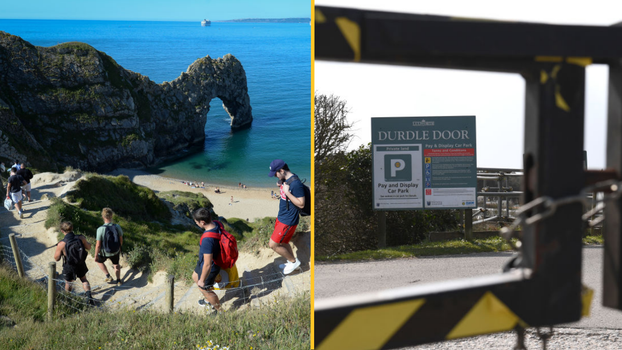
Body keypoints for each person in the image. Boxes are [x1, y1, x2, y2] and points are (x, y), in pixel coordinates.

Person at [268, 159, 304, 274]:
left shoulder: (295, 183)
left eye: (275, 173)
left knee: (273, 244)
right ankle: (292, 262)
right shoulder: (286, 179)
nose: (274, 175)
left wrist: (287, 192)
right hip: (282, 216)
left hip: (288, 220)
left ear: (282, 170)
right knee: (283, 242)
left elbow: (301, 203)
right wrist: (281, 183)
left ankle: (294, 262)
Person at [53, 221, 94, 305]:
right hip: (80, 263)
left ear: (62, 231)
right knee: (84, 279)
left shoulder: (61, 243)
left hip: (69, 265)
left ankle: (68, 299)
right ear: (72, 228)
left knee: (68, 282)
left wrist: (61, 252)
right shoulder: (81, 238)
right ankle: (89, 297)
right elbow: (89, 247)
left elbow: (56, 258)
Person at [192, 207, 222, 314]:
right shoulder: (217, 224)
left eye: (196, 222)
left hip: (210, 266)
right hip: (203, 262)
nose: (196, 224)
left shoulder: (207, 240)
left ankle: (219, 311)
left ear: (202, 222)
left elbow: (208, 264)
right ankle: (208, 300)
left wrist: (203, 280)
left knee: (205, 289)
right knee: (195, 276)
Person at [94, 207, 123, 286]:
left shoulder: (100, 229)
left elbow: (98, 245)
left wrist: (96, 255)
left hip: (104, 252)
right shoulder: (117, 227)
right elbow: (120, 240)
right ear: (111, 216)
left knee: (98, 261)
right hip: (116, 250)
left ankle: (108, 275)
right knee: (116, 264)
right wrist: (119, 248)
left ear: (103, 217)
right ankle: (118, 280)